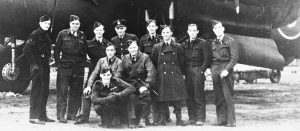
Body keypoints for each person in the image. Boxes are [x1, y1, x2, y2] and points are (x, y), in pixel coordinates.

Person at [75, 22, 113, 124]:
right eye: (97, 30)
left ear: (104, 31)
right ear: (94, 31)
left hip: (106, 72)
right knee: (87, 92)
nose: (99, 32)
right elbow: (82, 54)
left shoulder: (108, 44)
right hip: (93, 71)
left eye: (101, 30)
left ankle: (106, 116)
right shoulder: (88, 44)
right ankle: (84, 115)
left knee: (106, 92)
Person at [151, 25, 187, 126]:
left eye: (168, 32)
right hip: (162, 76)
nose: (166, 34)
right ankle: (163, 118)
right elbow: (154, 63)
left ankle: (179, 119)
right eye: (163, 33)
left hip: (175, 75)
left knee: (177, 98)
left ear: (171, 33)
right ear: (161, 34)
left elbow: (182, 62)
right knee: (162, 97)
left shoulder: (178, 46)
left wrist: (181, 74)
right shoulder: (157, 47)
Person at [54, 15, 87, 123]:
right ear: (69, 24)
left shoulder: (82, 36)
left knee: (76, 92)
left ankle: (72, 114)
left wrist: (82, 65)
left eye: (77, 24)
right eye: (73, 23)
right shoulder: (62, 34)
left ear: (80, 25)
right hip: (65, 68)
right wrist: (59, 64)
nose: (75, 26)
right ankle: (61, 115)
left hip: (78, 68)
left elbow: (84, 52)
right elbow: (56, 50)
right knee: (62, 91)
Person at [23, 15, 55, 124]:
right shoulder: (35, 34)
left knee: (44, 91)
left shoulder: (45, 34)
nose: (47, 25)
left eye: (48, 23)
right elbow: (26, 49)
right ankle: (34, 116)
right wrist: (33, 64)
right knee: (37, 91)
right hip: (38, 65)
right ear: (40, 23)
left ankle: (42, 115)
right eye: (45, 23)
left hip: (44, 64)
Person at [119, 40, 156, 128]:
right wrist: (122, 84)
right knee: (130, 96)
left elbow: (151, 72)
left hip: (141, 83)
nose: (133, 49)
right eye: (130, 48)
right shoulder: (125, 58)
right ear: (128, 49)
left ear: (138, 48)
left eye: (134, 47)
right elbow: (119, 73)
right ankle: (131, 119)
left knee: (145, 94)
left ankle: (142, 118)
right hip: (129, 84)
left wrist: (146, 85)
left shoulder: (145, 57)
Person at [182, 23, 211, 126]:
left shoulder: (203, 43)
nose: (192, 32)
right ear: (187, 31)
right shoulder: (184, 44)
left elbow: (207, 59)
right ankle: (192, 118)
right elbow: (182, 59)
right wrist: (183, 72)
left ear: (197, 32)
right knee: (189, 95)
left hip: (198, 70)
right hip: (187, 71)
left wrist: (201, 71)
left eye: (194, 30)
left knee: (198, 95)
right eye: (190, 30)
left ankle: (200, 118)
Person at [210, 20, 238, 127]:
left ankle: (231, 121)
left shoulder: (230, 41)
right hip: (215, 70)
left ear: (223, 29)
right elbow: (212, 58)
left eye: (219, 28)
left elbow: (234, 58)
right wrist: (213, 70)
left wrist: (227, 70)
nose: (218, 30)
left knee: (228, 96)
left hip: (226, 70)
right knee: (218, 97)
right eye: (215, 28)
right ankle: (221, 120)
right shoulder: (213, 43)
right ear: (213, 30)